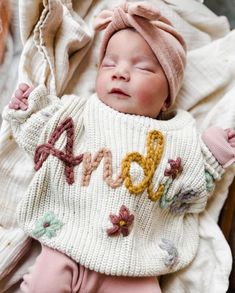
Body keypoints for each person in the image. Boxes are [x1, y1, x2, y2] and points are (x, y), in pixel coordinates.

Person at [4, 2, 235, 292]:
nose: (120, 73)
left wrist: (212, 156)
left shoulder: (176, 135)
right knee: (41, 284)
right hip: (66, 243)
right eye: (110, 64)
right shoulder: (81, 112)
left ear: (167, 98)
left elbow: (189, 189)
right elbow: (46, 135)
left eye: (143, 68)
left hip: (133, 265)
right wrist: (28, 111)